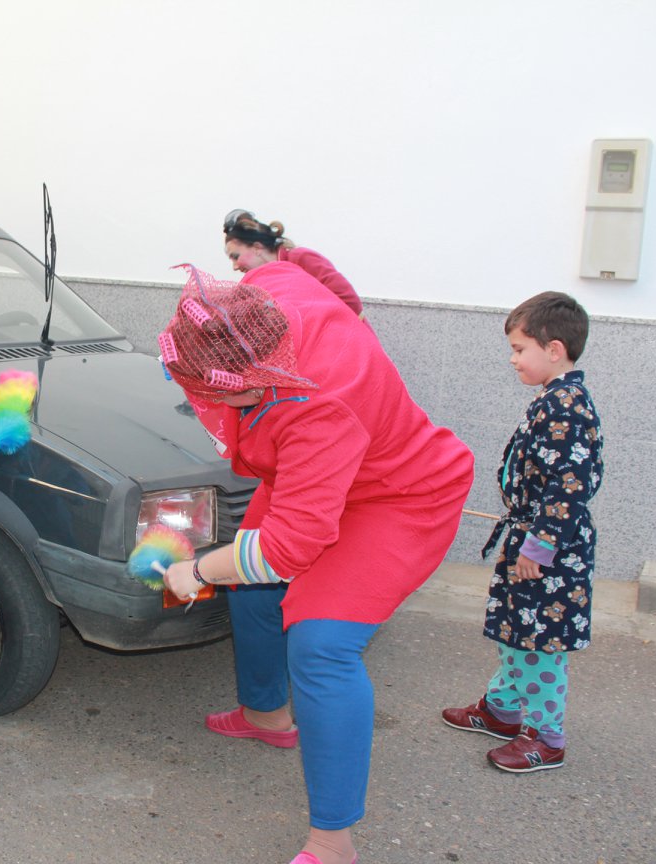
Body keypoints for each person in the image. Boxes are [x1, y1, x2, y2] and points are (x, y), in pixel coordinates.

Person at [157, 263, 473, 864]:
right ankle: (266, 714)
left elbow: (287, 548)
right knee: (251, 590)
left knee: (322, 645)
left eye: (211, 393)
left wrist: (195, 571)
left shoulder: (320, 405)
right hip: (311, 475)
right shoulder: (265, 297)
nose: (200, 402)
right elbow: (295, 263)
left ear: (254, 380)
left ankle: (333, 842)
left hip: (397, 495)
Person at [441, 292, 603, 773]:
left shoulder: (568, 405)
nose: (512, 359)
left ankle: (547, 738)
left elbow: (569, 484)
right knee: (518, 633)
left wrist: (541, 544)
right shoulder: (553, 397)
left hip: (550, 551)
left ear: (554, 349)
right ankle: (503, 712)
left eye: (519, 349)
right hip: (532, 539)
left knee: (540, 644)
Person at [222, 209, 366, 319]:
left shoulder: (300, 258)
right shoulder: (260, 284)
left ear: (257, 247)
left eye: (236, 257)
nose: (235, 266)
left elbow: (350, 301)